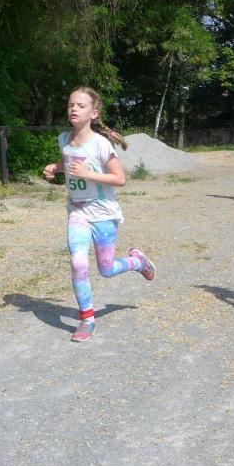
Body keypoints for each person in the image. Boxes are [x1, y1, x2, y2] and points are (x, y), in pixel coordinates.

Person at [42, 86, 156, 343]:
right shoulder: (63, 139)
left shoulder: (101, 144)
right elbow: (71, 165)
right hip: (78, 211)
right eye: (70, 104)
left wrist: (87, 174)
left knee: (106, 269)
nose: (73, 108)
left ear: (93, 113)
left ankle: (137, 262)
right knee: (78, 263)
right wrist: (56, 168)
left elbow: (120, 178)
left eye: (80, 105)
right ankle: (87, 319)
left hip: (103, 213)